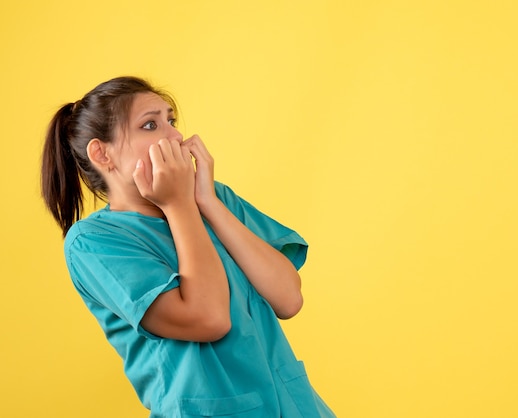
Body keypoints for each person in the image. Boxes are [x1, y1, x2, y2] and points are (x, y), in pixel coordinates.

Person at [41, 76, 336, 418]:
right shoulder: (94, 242)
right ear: (101, 153)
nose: (175, 136)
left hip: (296, 407)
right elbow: (209, 319)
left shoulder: (215, 198)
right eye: (150, 125)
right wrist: (179, 204)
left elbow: (288, 298)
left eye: (172, 121)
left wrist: (207, 202)